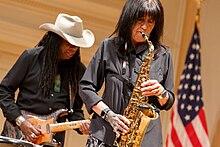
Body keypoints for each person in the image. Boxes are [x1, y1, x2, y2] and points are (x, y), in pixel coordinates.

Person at [79, 0, 175, 147]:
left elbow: (168, 101)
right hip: (106, 134)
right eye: (140, 20)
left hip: (145, 140)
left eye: (150, 22)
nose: (145, 27)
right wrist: (109, 115)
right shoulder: (108, 47)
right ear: (129, 18)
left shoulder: (163, 54)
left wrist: (161, 93)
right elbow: (86, 87)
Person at [0, 13, 95, 147]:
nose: (73, 49)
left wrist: (82, 126)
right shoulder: (31, 57)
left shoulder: (78, 71)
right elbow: (3, 91)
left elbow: (74, 110)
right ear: (56, 40)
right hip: (19, 134)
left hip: (52, 140)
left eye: (76, 45)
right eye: (69, 43)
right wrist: (21, 122)